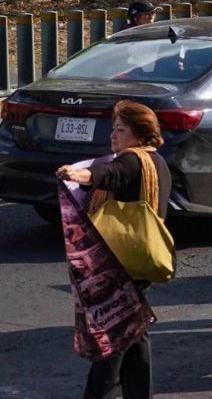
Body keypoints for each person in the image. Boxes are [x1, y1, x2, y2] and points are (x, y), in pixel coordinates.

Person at [57, 101, 171, 399]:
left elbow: (108, 174)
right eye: (114, 129)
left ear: (139, 133)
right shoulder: (156, 162)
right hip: (140, 258)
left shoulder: (133, 161)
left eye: (120, 129)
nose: (113, 135)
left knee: (112, 336)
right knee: (134, 333)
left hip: (121, 261)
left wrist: (76, 174)